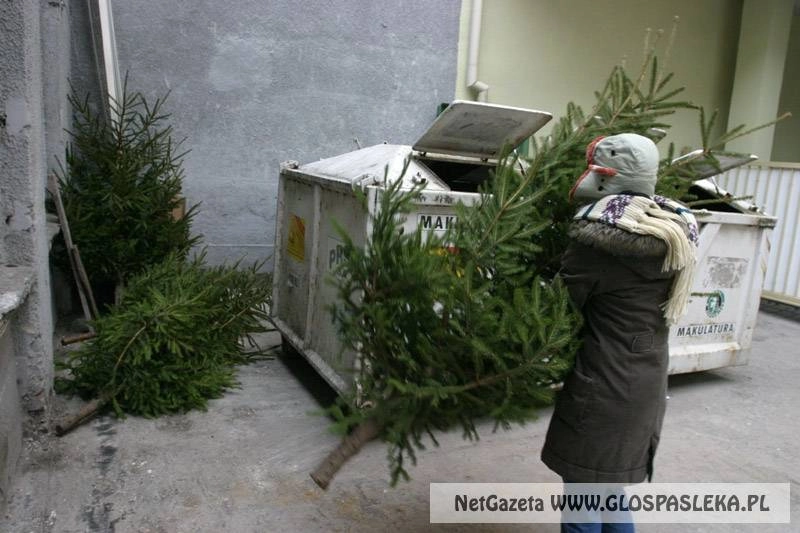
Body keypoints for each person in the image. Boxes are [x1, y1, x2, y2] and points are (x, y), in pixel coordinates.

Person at [540, 133, 698, 533]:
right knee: (609, 489)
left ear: (605, 176)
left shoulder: (597, 241)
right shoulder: (673, 228)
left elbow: (558, 306)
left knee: (584, 499)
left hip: (604, 384)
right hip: (646, 380)